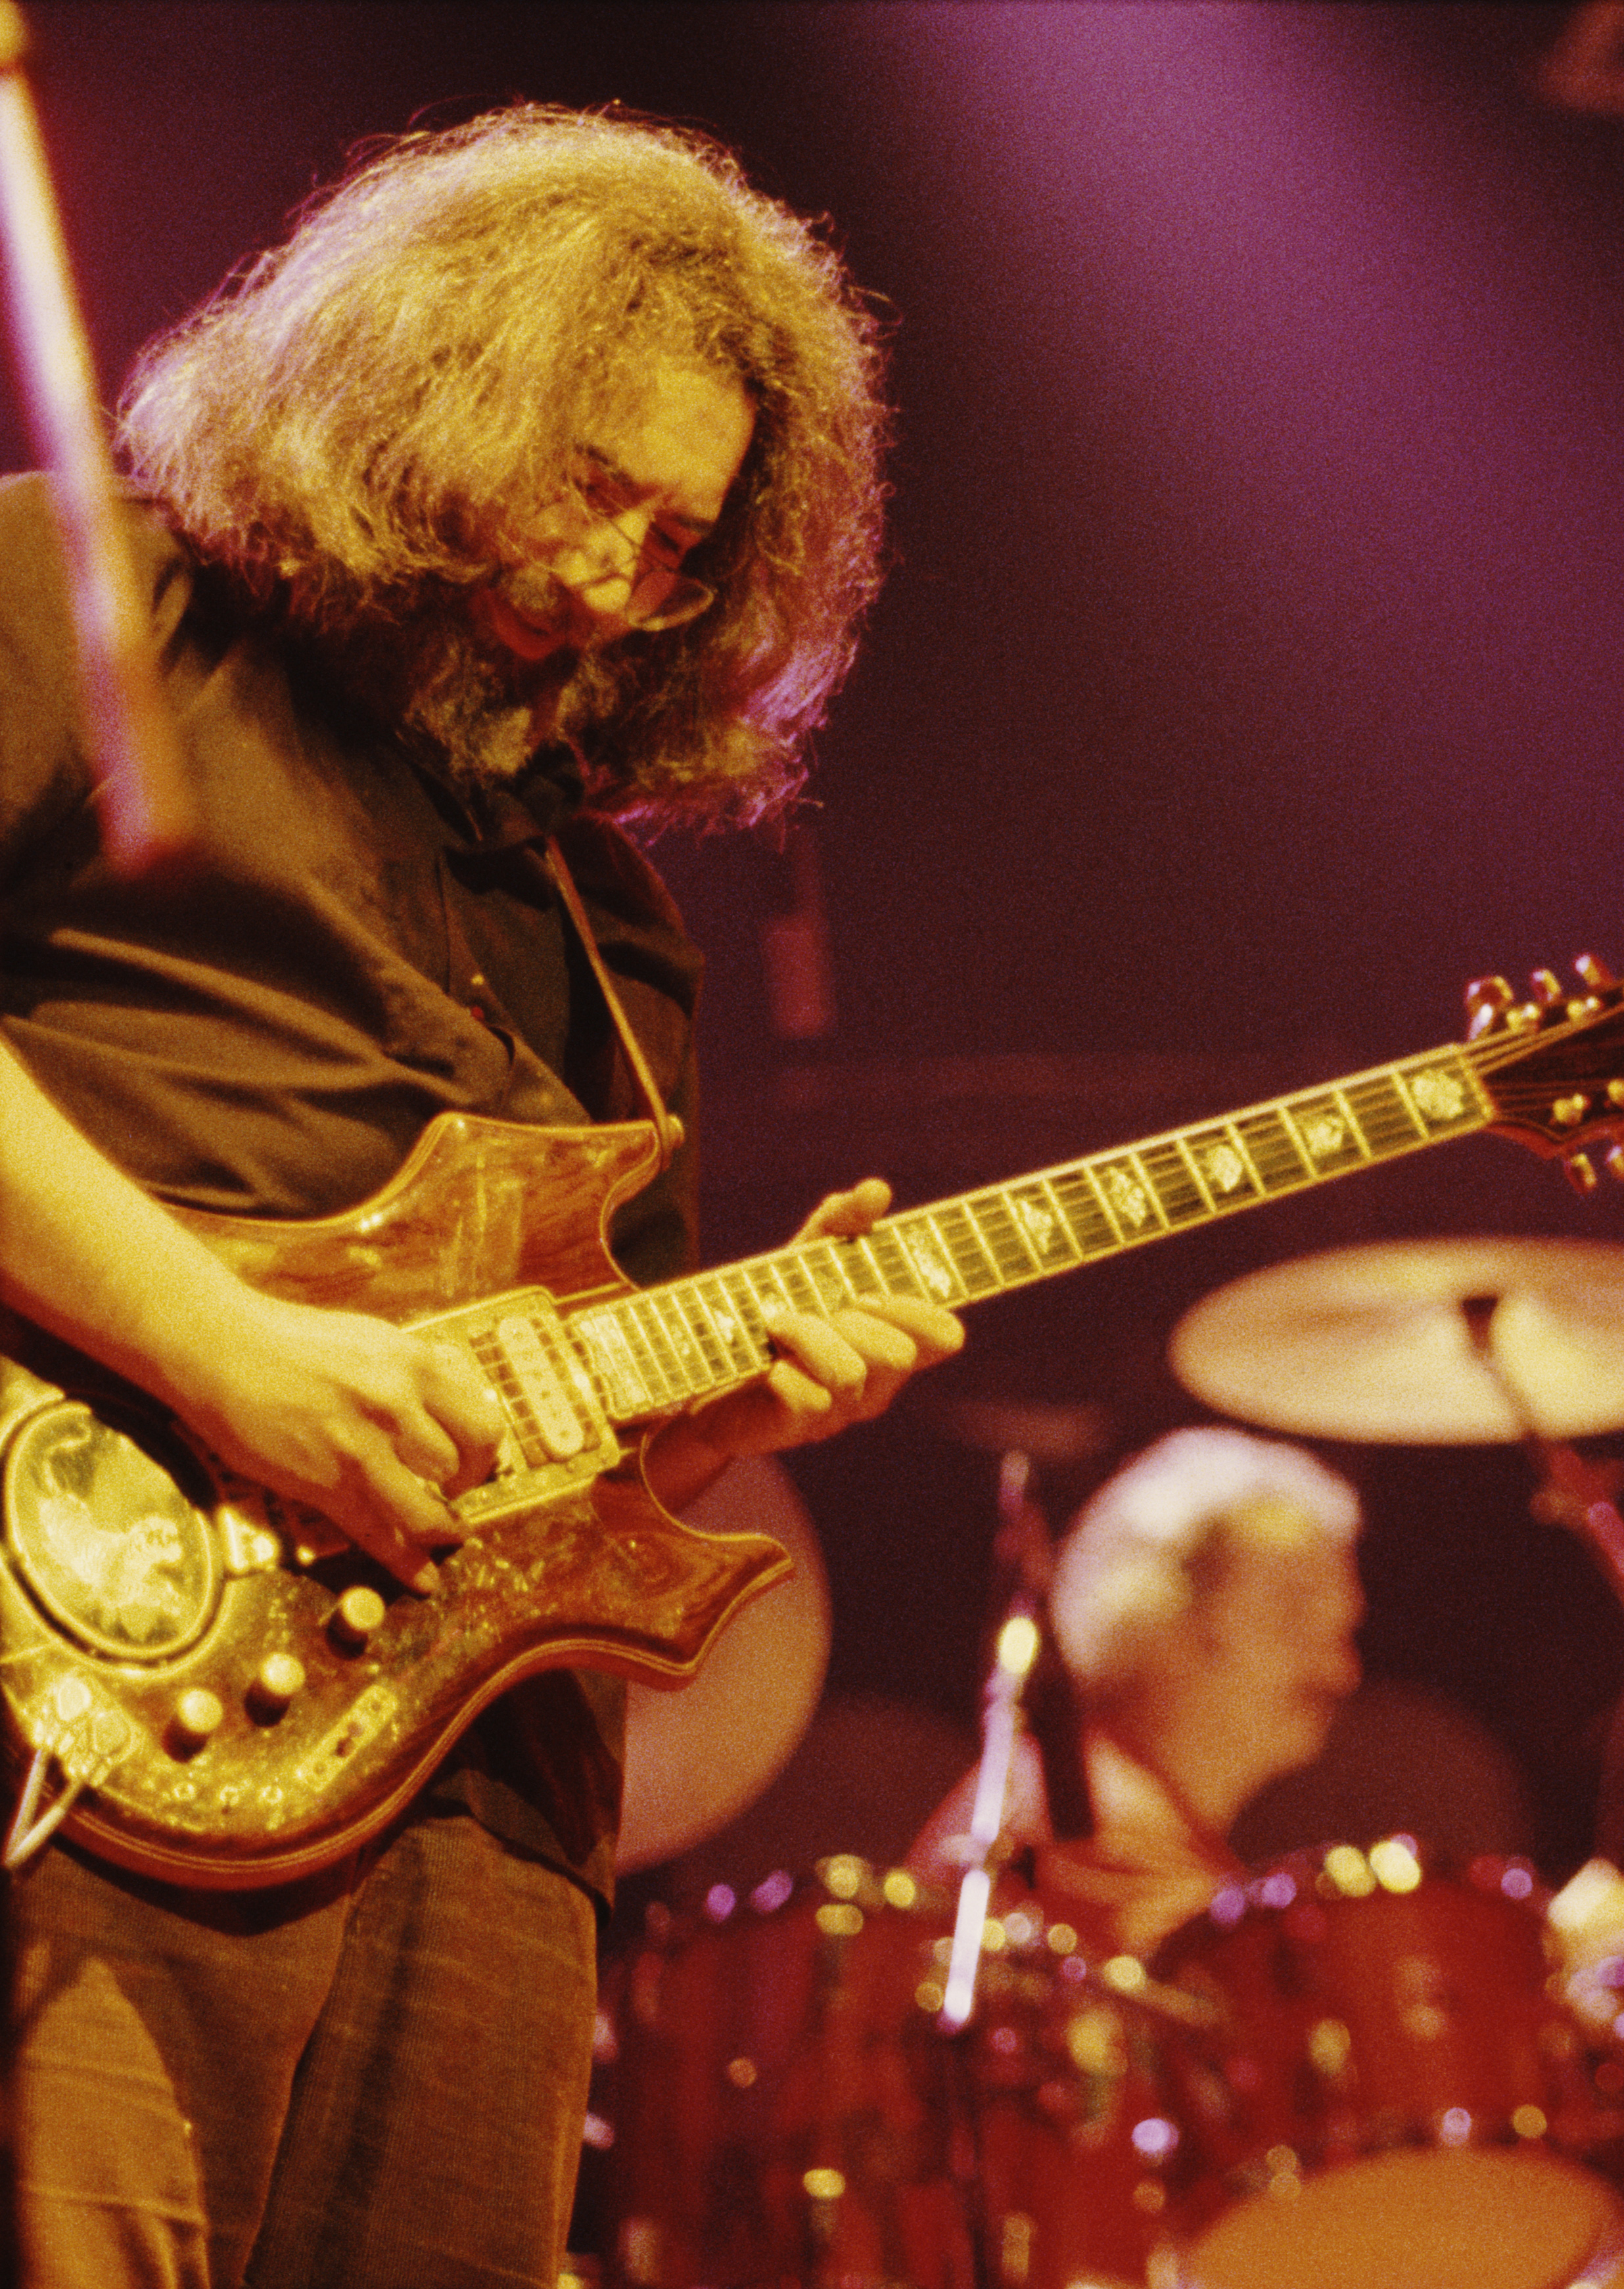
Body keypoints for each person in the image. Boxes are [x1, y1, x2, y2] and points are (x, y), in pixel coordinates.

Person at [3, 107, 962, 2286]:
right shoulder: (84, 608)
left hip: (493, 1810)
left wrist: (729, 1413)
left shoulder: (604, 915)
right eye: (596, 487)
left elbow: (557, 1440)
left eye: (683, 541)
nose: (626, 579)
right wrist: (225, 1349)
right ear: (426, 392)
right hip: (80, 1688)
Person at [911, 1424, 1368, 1956]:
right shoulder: (1090, 1831)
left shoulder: (1131, 1816)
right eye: (1295, 1617)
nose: (1340, 1672)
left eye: (1341, 1630)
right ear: (1158, 1609)